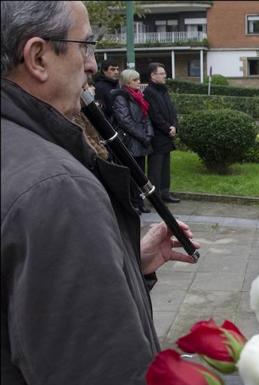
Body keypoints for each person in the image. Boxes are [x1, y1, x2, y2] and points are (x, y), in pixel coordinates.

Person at [1, 2, 199, 384]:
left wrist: (121, 262)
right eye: (85, 46)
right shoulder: (57, 191)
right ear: (38, 57)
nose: (91, 64)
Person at [112, 68, 154, 214]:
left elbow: (146, 117)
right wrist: (143, 136)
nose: (139, 82)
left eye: (138, 79)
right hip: (130, 141)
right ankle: (133, 203)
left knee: (141, 173)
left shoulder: (139, 96)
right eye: (135, 80)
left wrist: (149, 134)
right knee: (131, 174)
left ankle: (140, 202)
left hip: (141, 141)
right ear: (127, 81)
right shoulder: (121, 97)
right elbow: (125, 121)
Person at [143, 62, 181, 203]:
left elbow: (172, 111)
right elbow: (154, 114)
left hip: (167, 135)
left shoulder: (163, 90)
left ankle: (165, 193)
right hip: (157, 136)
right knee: (155, 168)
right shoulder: (149, 92)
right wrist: (167, 128)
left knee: (165, 167)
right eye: (162, 73)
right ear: (153, 75)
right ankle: (155, 196)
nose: (165, 76)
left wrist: (174, 126)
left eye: (165, 73)